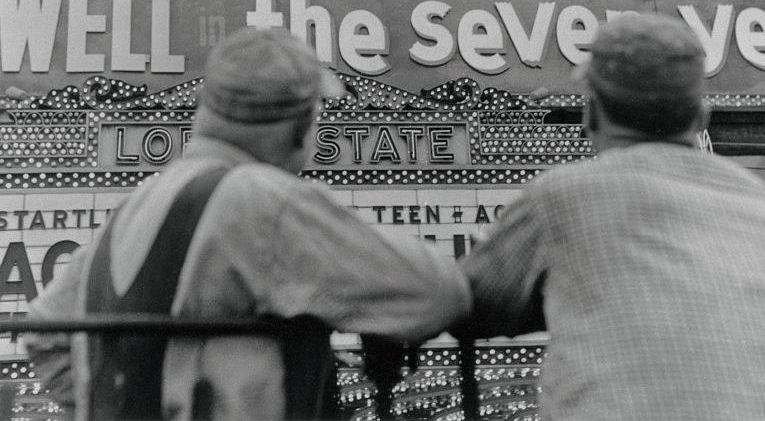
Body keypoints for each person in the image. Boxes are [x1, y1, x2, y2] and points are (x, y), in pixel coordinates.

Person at [25, 27, 471, 421]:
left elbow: (45, 333)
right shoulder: (258, 198)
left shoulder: (134, 206)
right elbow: (436, 294)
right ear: (300, 127)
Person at [458, 13, 765, 421]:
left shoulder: (563, 195)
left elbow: (464, 299)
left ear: (591, 114)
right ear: (701, 119)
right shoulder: (762, 204)